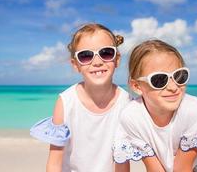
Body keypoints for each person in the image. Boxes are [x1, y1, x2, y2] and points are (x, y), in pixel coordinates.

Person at [30, 23, 131, 172]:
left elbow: (122, 161)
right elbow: (54, 163)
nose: (97, 62)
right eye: (85, 56)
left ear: (117, 59)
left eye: (106, 53)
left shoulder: (126, 102)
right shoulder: (66, 101)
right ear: (75, 65)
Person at [113, 39, 197, 172]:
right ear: (137, 86)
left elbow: (183, 169)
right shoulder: (132, 117)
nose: (173, 87)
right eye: (159, 80)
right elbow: (154, 169)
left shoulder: (194, 111)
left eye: (179, 76)